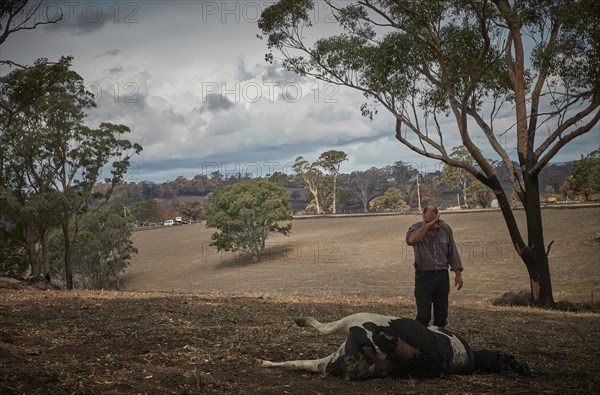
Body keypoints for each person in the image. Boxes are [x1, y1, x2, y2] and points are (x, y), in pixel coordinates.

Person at [406, 205, 463, 327]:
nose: (431, 223)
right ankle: (422, 342)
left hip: (442, 276)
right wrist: (427, 226)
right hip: (423, 276)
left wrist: (458, 274)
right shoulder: (416, 228)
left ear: (437, 217)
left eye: (432, 220)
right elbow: (411, 240)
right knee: (423, 316)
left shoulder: (446, 229)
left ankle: (439, 341)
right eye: (427, 220)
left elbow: (452, 251)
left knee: (441, 316)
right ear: (423, 217)